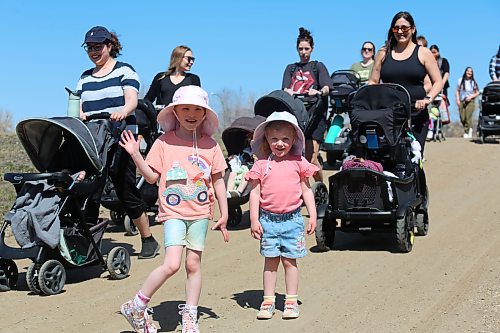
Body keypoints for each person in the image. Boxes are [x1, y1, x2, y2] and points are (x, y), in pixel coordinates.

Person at [118, 85, 229, 333]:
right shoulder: (163, 143)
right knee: (172, 264)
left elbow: (219, 180)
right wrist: (136, 155)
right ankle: (136, 305)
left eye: (197, 109)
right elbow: (150, 177)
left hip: (201, 213)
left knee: (193, 265)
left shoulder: (210, 145)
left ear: (204, 114)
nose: (191, 113)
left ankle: (190, 315)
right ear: (175, 112)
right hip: (173, 212)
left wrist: (225, 212)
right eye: (185, 108)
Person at [77, 26, 159, 259]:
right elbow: (80, 107)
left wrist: (122, 111)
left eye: (98, 47)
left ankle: (148, 239)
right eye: (89, 48)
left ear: (110, 46)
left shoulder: (125, 71)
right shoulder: (84, 78)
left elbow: (132, 100)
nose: (94, 52)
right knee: (90, 191)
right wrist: (80, 116)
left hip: (121, 138)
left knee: (126, 191)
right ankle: (88, 245)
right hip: (94, 140)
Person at [246, 111, 318, 320]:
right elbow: (255, 193)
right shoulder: (261, 164)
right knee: (270, 261)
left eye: (285, 139)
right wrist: (253, 219)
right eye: (275, 139)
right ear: (266, 140)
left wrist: (312, 215)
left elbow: (306, 190)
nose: (280, 143)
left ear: (294, 140)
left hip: (293, 220)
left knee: (290, 261)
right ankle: (268, 300)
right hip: (268, 221)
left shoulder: (299, 162)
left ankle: (291, 301)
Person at [368, 11, 443, 155]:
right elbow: (373, 81)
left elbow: (437, 81)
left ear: (413, 29)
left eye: (405, 28)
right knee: (387, 158)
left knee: (414, 159)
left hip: (416, 114)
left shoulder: (423, 53)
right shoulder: (383, 53)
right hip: (388, 115)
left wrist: (427, 99)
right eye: (396, 28)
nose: (400, 32)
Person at [282, 27, 332, 182]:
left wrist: (318, 92)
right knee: (295, 158)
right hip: (297, 115)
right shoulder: (291, 68)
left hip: (315, 117)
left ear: (312, 49)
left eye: (306, 49)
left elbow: (327, 87)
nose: (303, 52)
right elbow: (285, 88)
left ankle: (320, 189)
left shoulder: (318, 67)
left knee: (311, 158)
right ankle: (302, 191)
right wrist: (288, 91)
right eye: (300, 49)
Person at [455, 67, 480, 139]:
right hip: (462, 100)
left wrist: (471, 97)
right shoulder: (460, 80)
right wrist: (457, 100)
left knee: (467, 117)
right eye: (468, 71)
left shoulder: (473, 82)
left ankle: (467, 131)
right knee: (462, 117)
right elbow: (458, 91)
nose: (469, 72)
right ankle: (469, 129)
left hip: (470, 101)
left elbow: (477, 92)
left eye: (471, 71)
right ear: (465, 72)